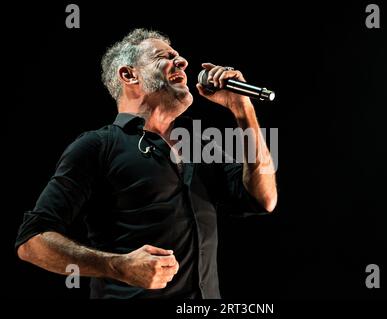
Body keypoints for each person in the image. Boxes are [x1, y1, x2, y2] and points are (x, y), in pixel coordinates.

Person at [15, 28, 277, 299]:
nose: (182, 62)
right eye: (163, 57)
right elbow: (32, 242)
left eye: (178, 55)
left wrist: (242, 108)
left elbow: (264, 199)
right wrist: (117, 266)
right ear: (129, 75)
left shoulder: (199, 143)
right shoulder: (97, 147)